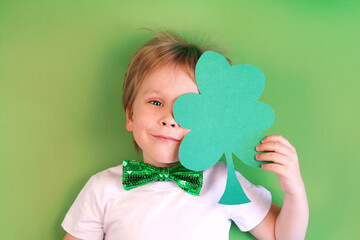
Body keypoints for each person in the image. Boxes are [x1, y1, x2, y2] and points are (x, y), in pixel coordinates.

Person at [61, 30, 309, 240]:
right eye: (156, 102)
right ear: (131, 116)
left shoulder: (223, 182)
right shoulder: (102, 188)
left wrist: (294, 189)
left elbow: (282, 235)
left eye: (188, 109)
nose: (169, 119)